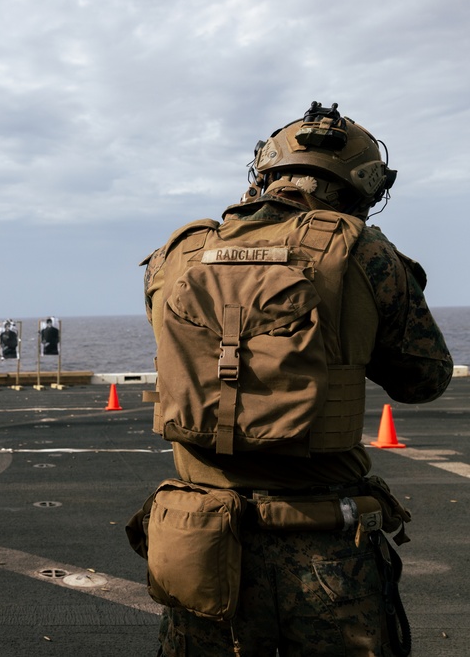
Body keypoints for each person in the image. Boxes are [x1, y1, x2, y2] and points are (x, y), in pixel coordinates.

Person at [136, 102, 452, 655]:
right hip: (328, 552)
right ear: (361, 186)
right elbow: (424, 380)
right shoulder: (368, 251)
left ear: (265, 171)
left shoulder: (177, 254)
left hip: (199, 544)